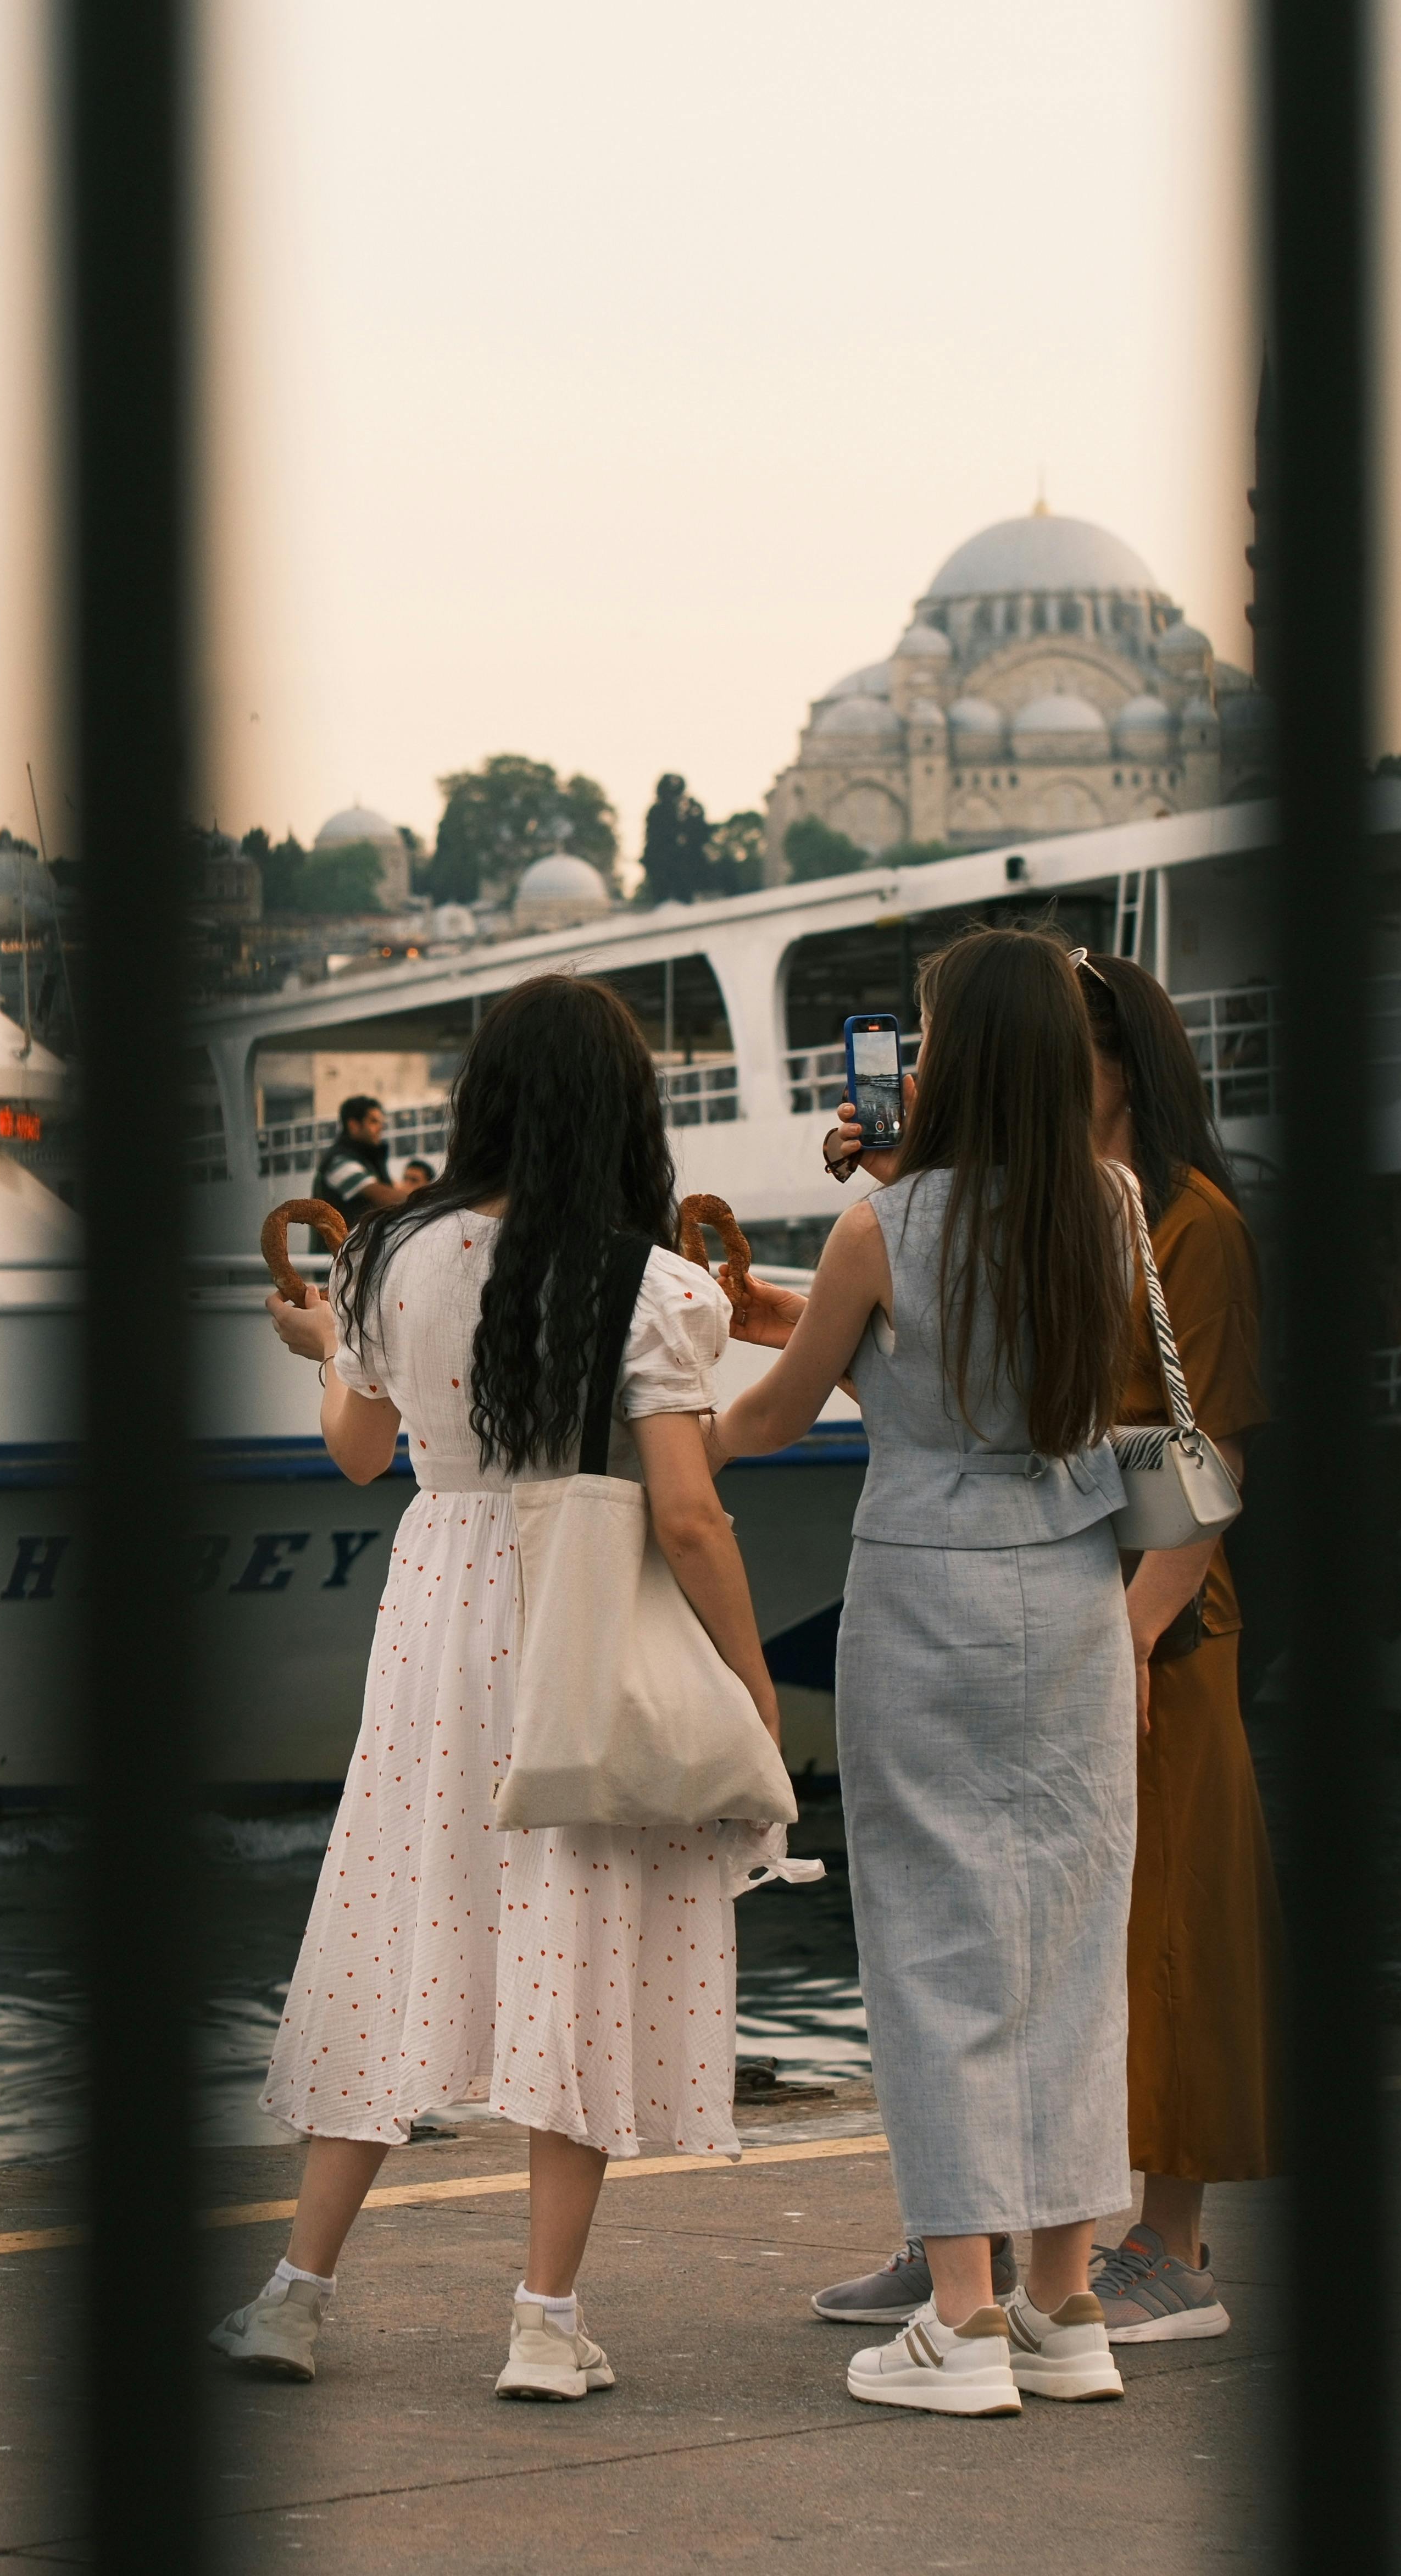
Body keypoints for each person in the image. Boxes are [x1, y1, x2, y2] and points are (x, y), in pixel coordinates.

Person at [227, 974, 783, 2403]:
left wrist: (324, 1348)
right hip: (578, 1608)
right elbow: (688, 1513)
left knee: (394, 1919)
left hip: (436, 1611)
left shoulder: (387, 1256)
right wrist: (750, 1679)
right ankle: (544, 2320)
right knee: (574, 1939)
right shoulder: (655, 1285)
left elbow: (360, 1454)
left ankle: (294, 2295)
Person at [717, 926, 1154, 2419]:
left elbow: (782, 1411)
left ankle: (960, 2320)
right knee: (1071, 1936)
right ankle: (1067, 2306)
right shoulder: (1112, 1204)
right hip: (1075, 1586)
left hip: (923, 1587)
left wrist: (671, 1447)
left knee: (930, 1939)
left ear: (948, 1055)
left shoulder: (881, 1231)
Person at [1071, 954, 1272, 2342]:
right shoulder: (1066, 1209)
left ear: (1118, 1065)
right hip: (1069, 1603)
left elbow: (1213, 1460)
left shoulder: (1194, 1223)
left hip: (1160, 1619)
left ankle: (1174, 2242)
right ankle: (988, 2226)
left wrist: (1134, 1637)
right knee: (1055, 1931)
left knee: (1175, 1920)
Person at [309, 1094, 398, 1220]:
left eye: (381, 1122)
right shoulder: (338, 1162)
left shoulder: (365, 1159)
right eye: (373, 1122)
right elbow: (385, 1196)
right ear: (354, 1126)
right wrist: (423, 1201)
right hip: (345, 1234)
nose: (380, 1128)